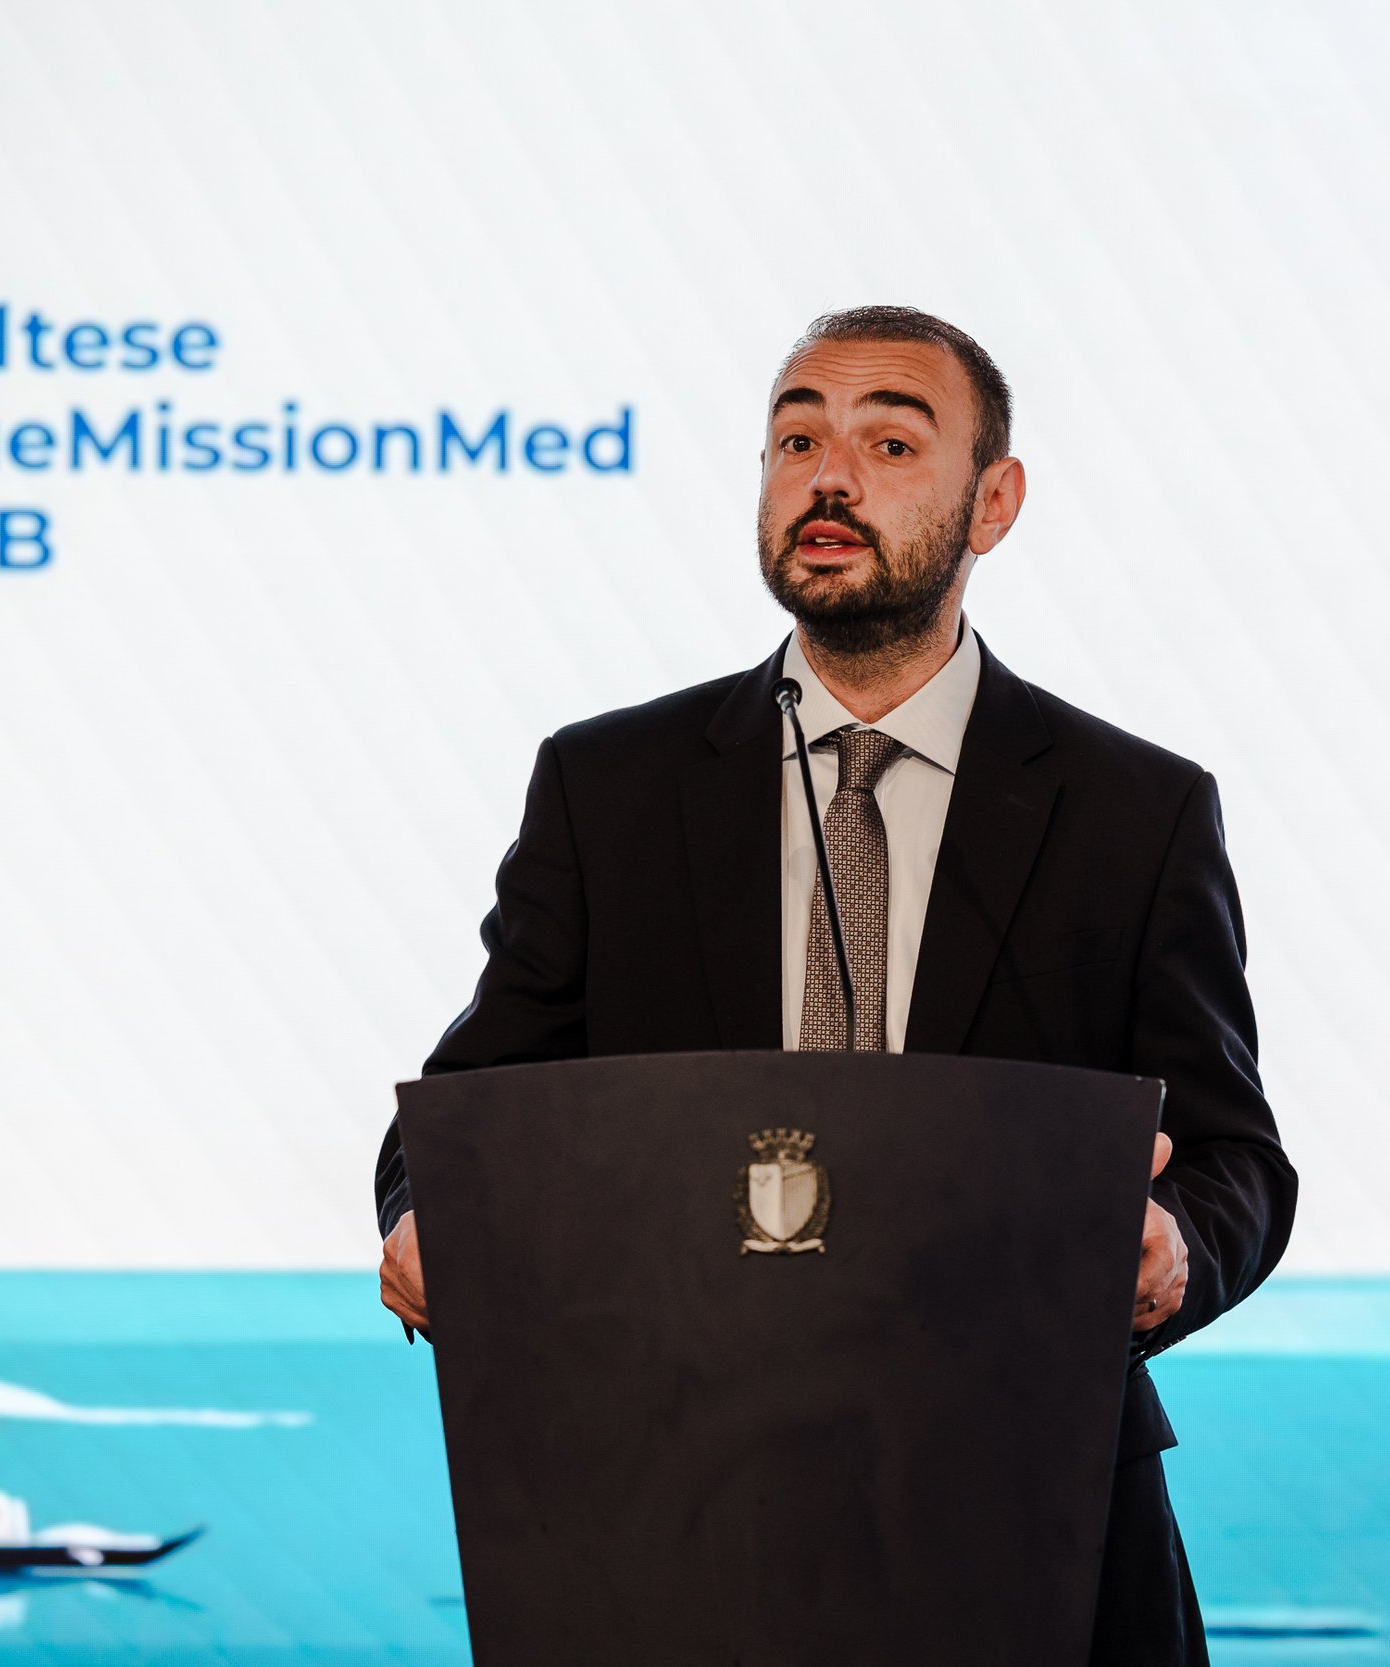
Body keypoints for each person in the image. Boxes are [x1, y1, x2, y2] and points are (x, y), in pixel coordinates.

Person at [374, 305, 1296, 1666]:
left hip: (1033, 1513)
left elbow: (1236, 1160)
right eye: (797, 440)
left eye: (890, 443)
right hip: (666, 1507)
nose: (829, 477)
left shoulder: (1132, 811)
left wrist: (1175, 1249)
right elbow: (466, 1115)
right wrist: (427, 1218)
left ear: (995, 504)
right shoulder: (609, 788)